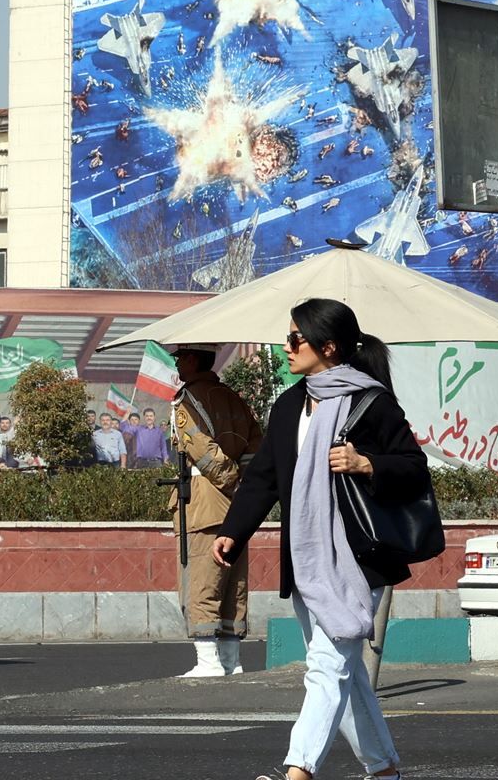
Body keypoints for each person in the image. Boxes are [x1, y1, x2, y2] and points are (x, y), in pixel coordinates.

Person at [216, 299, 423, 780]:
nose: (287, 348)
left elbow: (414, 468)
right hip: (307, 558)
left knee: (327, 667)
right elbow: (265, 476)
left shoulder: (371, 403)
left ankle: (298, 771)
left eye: (296, 339)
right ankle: (384, 770)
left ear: (328, 346)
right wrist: (233, 531)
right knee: (342, 672)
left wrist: (366, 463)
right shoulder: (290, 404)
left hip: (358, 559)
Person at [168, 345, 262, 678]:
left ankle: (208, 662)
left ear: (192, 359)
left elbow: (203, 452)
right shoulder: (235, 400)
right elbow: (256, 448)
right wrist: (245, 490)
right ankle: (231, 660)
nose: (177, 364)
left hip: (204, 503)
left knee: (201, 581)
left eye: (179, 357)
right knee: (234, 585)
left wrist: (231, 481)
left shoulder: (186, 402)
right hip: (239, 508)